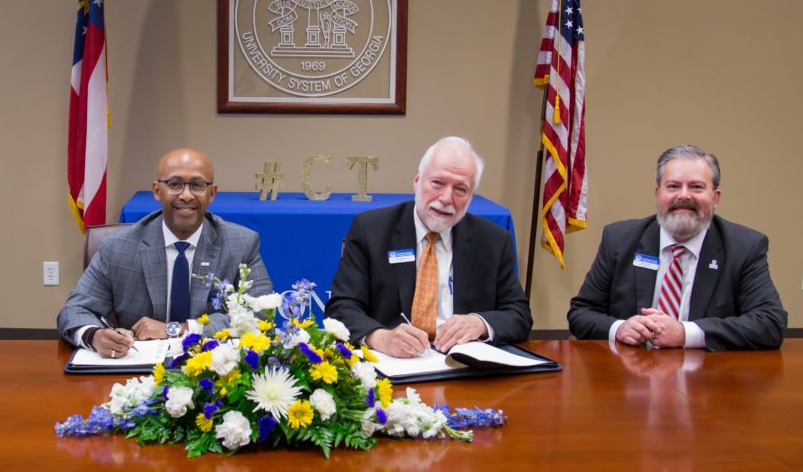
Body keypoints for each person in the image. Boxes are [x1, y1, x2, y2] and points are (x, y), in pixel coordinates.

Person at [325, 136, 532, 357]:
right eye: (437, 183)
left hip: (463, 366)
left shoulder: (493, 240)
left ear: (470, 197)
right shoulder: (371, 230)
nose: (445, 198)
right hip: (392, 364)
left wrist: (479, 323)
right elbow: (341, 308)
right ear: (417, 181)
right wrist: (381, 337)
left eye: (460, 189)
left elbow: (519, 315)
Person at [57, 148, 273, 358]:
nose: (186, 195)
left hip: (214, 371)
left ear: (212, 193)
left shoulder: (240, 243)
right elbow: (74, 310)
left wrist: (179, 329)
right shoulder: (117, 247)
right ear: (157, 191)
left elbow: (261, 316)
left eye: (197, 185)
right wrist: (94, 336)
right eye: (175, 184)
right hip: (137, 370)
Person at [568, 145, 786, 351]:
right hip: (629, 378)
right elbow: (581, 313)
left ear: (715, 198)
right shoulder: (619, 239)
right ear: (657, 194)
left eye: (696, 186)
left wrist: (685, 333)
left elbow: (770, 323)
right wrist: (618, 329)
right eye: (673, 186)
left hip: (709, 381)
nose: (683, 195)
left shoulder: (744, 247)